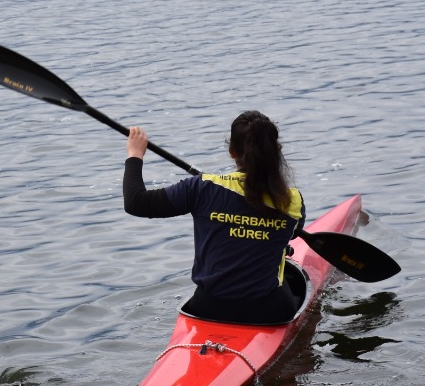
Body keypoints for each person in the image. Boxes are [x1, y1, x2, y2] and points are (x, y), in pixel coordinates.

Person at [122, 110, 308, 325]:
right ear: (275, 152)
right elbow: (292, 233)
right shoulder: (293, 201)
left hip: (208, 308)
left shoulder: (201, 187)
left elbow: (135, 203)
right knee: (293, 279)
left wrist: (135, 155)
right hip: (268, 312)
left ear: (232, 151)